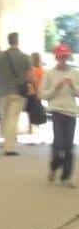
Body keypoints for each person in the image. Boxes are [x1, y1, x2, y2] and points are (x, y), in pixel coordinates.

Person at [40, 43, 79, 187]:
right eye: (61, 57)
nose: (63, 59)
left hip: (71, 112)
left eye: (65, 56)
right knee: (59, 144)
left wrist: (73, 86)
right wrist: (55, 88)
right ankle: (54, 167)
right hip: (57, 111)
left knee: (69, 146)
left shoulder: (75, 73)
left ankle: (66, 177)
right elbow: (42, 94)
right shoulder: (49, 74)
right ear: (56, 58)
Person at [0, 32, 32, 155]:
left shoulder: (0, 56)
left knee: (5, 118)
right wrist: (34, 87)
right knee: (12, 119)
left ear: (8, 41)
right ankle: (9, 147)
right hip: (18, 93)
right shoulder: (25, 57)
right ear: (17, 41)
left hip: (2, 92)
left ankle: (5, 142)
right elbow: (30, 76)